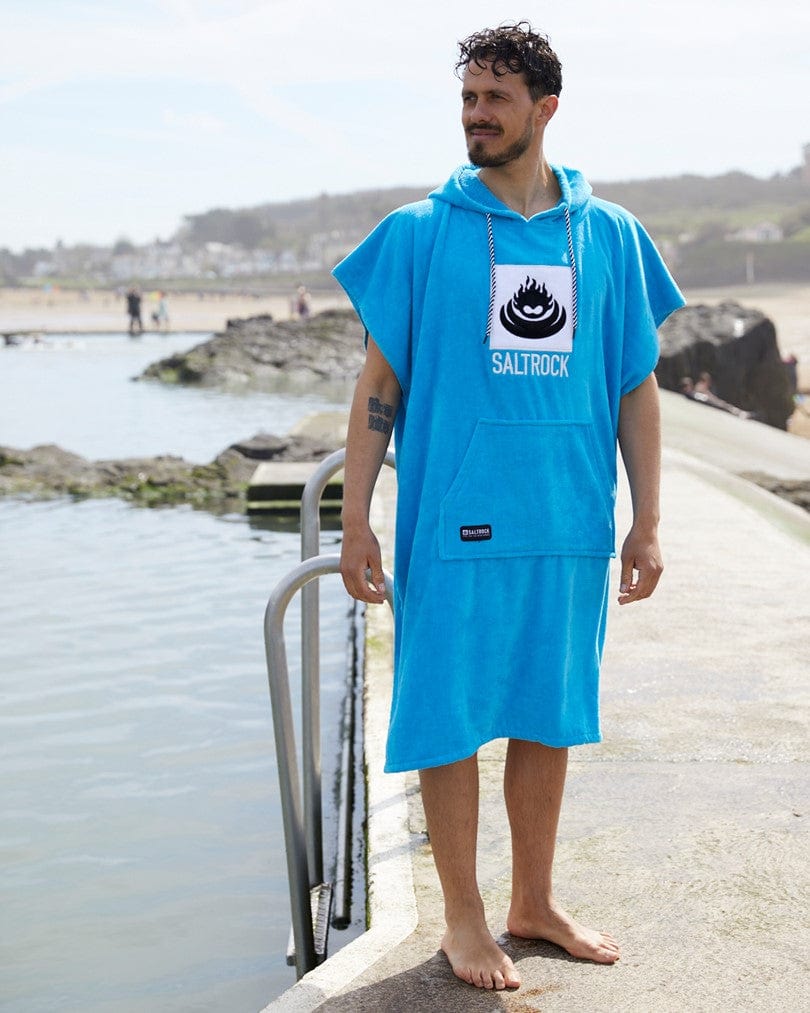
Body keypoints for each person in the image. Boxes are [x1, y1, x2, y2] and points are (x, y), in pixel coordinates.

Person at [333, 22, 684, 992]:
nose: (476, 116)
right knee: (446, 719)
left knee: (549, 712)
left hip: (568, 520)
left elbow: (635, 386)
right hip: (454, 524)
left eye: (495, 98)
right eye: (468, 99)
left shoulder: (610, 235)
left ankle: (534, 901)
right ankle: (464, 916)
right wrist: (357, 518)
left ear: (545, 108)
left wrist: (647, 519)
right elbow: (379, 386)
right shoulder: (418, 233)